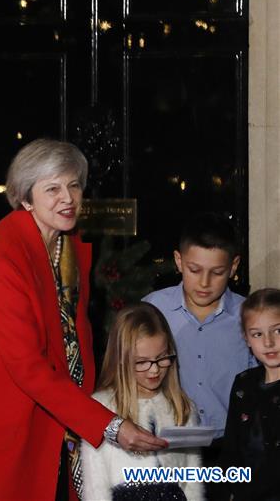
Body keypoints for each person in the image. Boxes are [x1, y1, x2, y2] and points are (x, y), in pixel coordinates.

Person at [0, 139, 167, 501]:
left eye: (74, 185)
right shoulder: (2, 259)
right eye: (53, 188)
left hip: (53, 408)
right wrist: (108, 425)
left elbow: (76, 334)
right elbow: (27, 365)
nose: (68, 198)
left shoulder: (70, 243)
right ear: (25, 198)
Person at [142, 213, 256, 473]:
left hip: (232, 448)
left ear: (234, 266)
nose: (204, 283)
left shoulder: (247, 316)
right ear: (178, 261)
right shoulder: (152, 309)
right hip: (167, 448)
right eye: (195, 270)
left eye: (217, 273)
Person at [81, 303, 204, 501]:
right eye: (141, 362)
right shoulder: (101, 409)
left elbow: (192, 483)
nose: (154, 370)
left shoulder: (183, 407)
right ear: (121, 360)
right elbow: (95, 487)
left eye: (162, 358)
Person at [218, 288, 280, 501]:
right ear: (246, 338)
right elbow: (231, 447)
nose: (269, 342)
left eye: (278, 331)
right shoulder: (244, 382)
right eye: (257, 334)